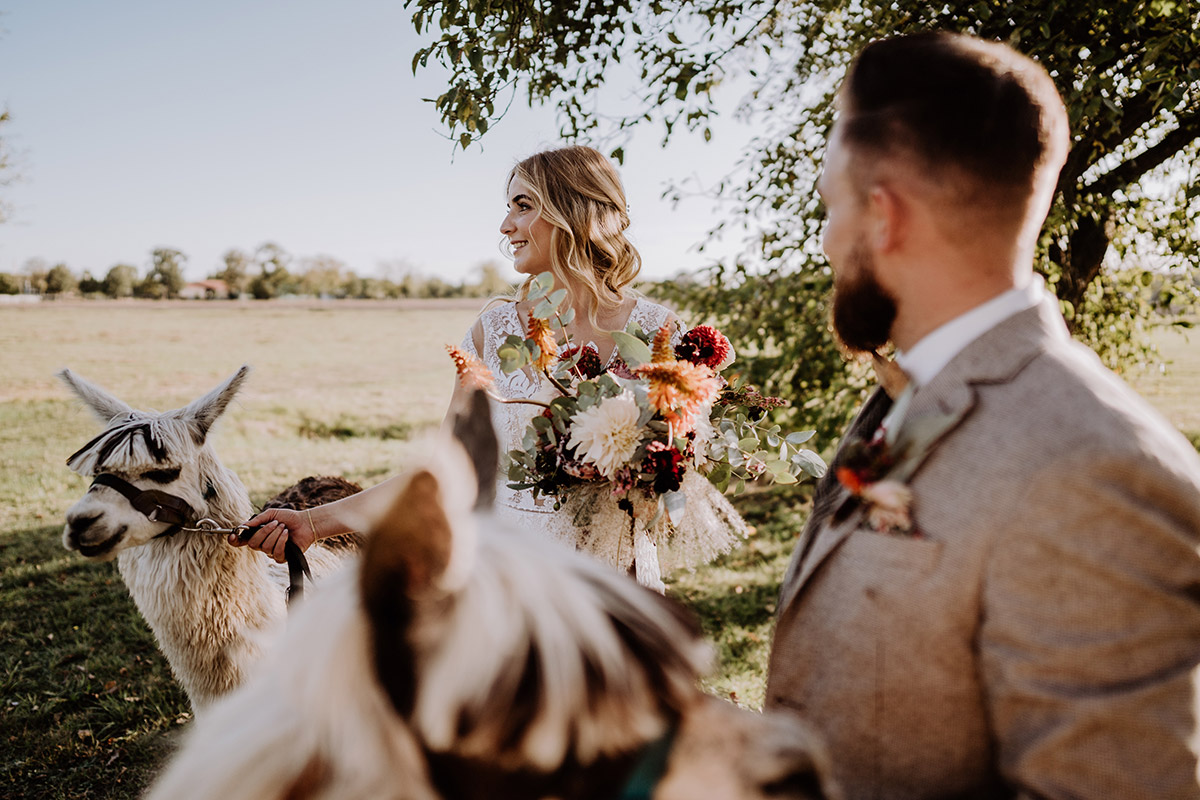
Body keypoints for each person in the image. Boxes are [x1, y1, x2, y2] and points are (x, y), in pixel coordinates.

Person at [765, 32, 1200, 799]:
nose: (827, 242)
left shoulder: (1088, 466)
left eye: (829, 206)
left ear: (882, 216)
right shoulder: (913, 394)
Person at [233, 145, 746, 591]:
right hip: (506, 579)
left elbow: (683, 459)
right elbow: (442, 470)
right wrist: (311, 523)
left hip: (616, 579)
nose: (505, 226)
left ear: (574, 211)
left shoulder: (657, 331)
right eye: (508, 209)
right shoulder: (493, 333)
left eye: (523, 207)